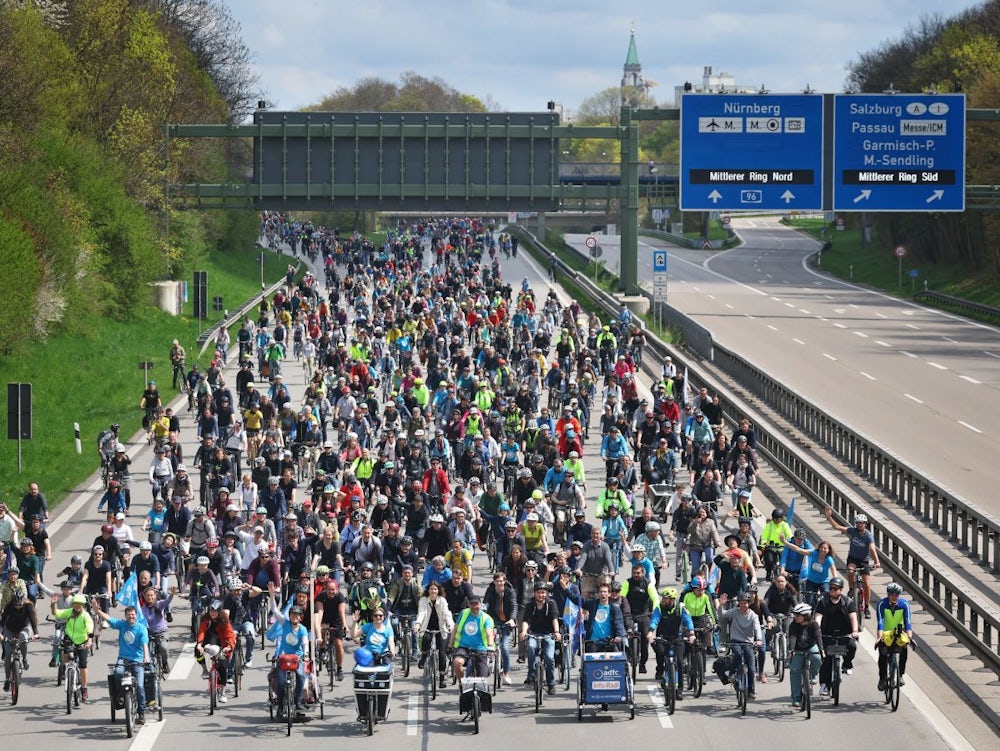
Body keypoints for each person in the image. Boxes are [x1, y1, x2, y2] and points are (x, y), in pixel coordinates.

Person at [94, 603, 150, 725]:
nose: (131, 617)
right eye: (129, 615)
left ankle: (141, 712)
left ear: (136, 616)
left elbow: (145, 643)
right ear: (125, 616)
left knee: (140, 686)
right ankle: (121, 693)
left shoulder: (141, 628)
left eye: (133, 615)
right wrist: (97, 610)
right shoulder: (122, 625)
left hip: (138, 660)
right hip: (123, 659)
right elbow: (108, 618)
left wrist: (146, 656)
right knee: (118, 672)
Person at [824, 508, 880, 613]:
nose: (860, 525)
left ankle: (866, 607)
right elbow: (837, 527)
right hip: (853, 559)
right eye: (858, 523)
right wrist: (829, 516)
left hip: (864, 560)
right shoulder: (853, 531)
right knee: (850, 571)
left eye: (862, 523)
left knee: (867, 584)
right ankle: (851, 590)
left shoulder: (868, 536)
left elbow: (872, 549)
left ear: (865, 524)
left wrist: (877, 562)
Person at [267, 590, 309, 717]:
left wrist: (306, 655)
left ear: (300, 617)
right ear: (289, 616)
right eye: (292, 615)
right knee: (280, 681)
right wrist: (272, 595)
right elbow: (275, 610)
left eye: (297, 615)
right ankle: (280, 706)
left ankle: (298, 701)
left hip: (297, 658)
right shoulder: (284, 624)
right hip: (283, 658)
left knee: (301, 676)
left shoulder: (302, 629)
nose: (294, 617)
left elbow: (305, 643)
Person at [648, 587, 695, 692]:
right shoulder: (659, 608)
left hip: (677, 637)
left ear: (672, 600)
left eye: (666, 598)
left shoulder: (681, 607)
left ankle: (680, 689)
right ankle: (660, 670)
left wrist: (691, 633)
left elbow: (688, 620)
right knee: (660, 652)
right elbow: (655, 620)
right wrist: (651, 632)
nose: (663, 600)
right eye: (663, 598)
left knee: (680, 662)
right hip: (662, 637)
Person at [49, 592, 95, 700]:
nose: (77, 606)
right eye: (75, 604)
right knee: (64, 654)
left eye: (79, 604)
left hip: (82, 641)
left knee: (83, 666)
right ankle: (66, 669)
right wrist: (53, 604)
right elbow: (56, 613)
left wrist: (89, 640)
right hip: (69, 639)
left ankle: (84, 688)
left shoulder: (86, 616)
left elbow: (90, 628)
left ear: (83, 605)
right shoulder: (69, 612)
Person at [717, 592, 763, 701]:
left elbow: (757, 628)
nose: (743, 605)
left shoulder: (753, 615)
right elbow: (722, 615)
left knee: (751, 667)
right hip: (735, 640)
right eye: (741, 603)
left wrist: (759, 639)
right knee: (737, 654)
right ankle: (732, 674)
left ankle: (751, 692)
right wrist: (721, 605)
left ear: (749, 604)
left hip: (748, 642)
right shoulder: (734, 612)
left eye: (745, 603)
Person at [520, 580, 559, 695]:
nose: (541, 595)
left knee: (549, 657)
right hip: (534, 633)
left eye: (543, 592)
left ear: (546, 593)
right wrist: (523, 631)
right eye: (538, 592)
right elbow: (526, 620)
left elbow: (554, 619)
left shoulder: (551, 604)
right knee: (531, 648)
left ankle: (551, 683)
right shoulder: (530, 605)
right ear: (534, 593)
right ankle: (531, 675)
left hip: (548, 634)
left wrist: (556, 632)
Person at [621, 563, 659, 673]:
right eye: (634, 573)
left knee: (645, 640)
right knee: (627, 634)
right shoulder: (628, 582)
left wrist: (655, 611)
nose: (636, 575)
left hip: (644, 614)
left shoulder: (648, 584)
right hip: (630, 613)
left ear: (643, 573)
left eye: (638, 573)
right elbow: (622, 596)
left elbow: (655, 599)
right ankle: (630, 654)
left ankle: (643, 663)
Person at [876, 582, 913, 692]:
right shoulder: (882, 604)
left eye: (897, 595)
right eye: (892, 594)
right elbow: (880, 621)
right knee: (882, 655)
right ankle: (882, 678)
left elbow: (908, 622)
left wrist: (909, 637)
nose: (894, 597)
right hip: (886, 634)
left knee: (904, 651)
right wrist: (879, 637)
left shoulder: (904, 604)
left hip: (899, 633)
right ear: (888, 594)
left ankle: (900, 675)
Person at [451, 594, 496, 681]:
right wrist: (450, 646)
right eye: (472, 604)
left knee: (482, 677)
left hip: (481, 648)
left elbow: (489, 633)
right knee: (457, 662)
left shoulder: (486, 618)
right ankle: (462, 683)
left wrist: (490, 646)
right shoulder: (464, 613)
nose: (474, 606)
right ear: (469, 604)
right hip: (464, 647)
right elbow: (455, 629)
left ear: (480, 605)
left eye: (476, 604)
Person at [787, 602, 822, 709]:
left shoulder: (813, 624)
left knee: (817, 658)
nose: (795, 617)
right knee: (795, 671)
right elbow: (792, 637)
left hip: (810, 647)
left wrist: (822, 649)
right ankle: (796, 698)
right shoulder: (793, 624)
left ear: (805, 615)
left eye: (798, 615)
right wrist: (791, 650)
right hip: (797, 649)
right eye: (795, 615)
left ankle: (812, 676)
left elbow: (818, 636)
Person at [1, 590, 38, 691]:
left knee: (23, 638)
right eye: (16, 605)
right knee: (8, 654)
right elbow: (3, 620)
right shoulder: (9, 607)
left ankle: (25, 658)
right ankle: (7, 679)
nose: (18, 606)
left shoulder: (28, 606)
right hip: (10, 629)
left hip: (23, 628)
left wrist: (36, 633)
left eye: (20, 605)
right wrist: (0, 633)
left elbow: (32, 619)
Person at [581, 581, 626, 650]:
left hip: (609, 642)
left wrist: (619, 636)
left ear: (609, 594)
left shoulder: (615, 609)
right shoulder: (592, 604)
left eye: (605, 592)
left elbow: (619, 623)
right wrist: (567, 589)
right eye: (601, 592)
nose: (603, 594)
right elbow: (578, 601)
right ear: (598, 593)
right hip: (593, 643)